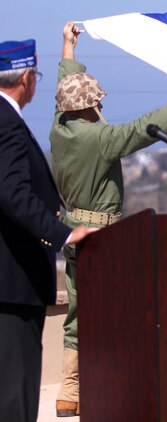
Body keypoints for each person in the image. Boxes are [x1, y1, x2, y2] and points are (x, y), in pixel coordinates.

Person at [50, 21, 167, 417]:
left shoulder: (59, 130)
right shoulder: (99, 139)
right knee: (117, 312)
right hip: (104, 238)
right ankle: (112, 384)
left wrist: (67, 47)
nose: (101, 107)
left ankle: (69, 392)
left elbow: (67, 83)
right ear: (89, 106)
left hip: (71, 230)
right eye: (97, 102)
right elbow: (140, 130)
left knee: (77, 313)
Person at [0, 39, 95, 422]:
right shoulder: (6, 123)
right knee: (14, 398)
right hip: (12, 286)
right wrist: (63, 234)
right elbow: (12, 192)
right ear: (26, 78)